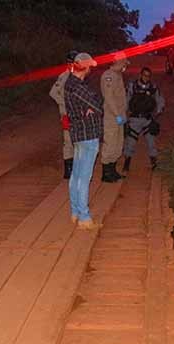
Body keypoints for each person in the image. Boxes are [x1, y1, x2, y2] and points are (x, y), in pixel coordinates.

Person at [64, 52, 103, 229]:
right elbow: (97, 104)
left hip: (78, 133)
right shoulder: (78, 86)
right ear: (84, 66)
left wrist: (90, 107)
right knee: (83, 177)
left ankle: (75, 212)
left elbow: (92, 105)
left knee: (76, 175)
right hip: (87, 134)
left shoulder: (69, 83)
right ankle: (84, 217)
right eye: (89, 66)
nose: (90, 70)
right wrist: (91, 107)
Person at [123, 67, 165, 172]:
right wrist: (124, 114)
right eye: (144, 75)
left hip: (147, 119)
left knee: (151, 142)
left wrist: (157, 113)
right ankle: (127, 163)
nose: (146, 77)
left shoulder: (153, 87)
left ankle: (154, 162)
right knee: (130, 142)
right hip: (135, 119)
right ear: (140, 75)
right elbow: (126, 99)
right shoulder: (132, 86)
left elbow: (160, 100)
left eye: (148, 76)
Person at [49, 50, 79, 179]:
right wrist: (65, 103)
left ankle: (76, 168)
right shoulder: (64, 76)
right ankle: (68, 170)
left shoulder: (78, 76)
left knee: (78, 141)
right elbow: (53, 93)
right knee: (68, 142)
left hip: (78, 114)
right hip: (67, 114)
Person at [100, 54, 129, 182]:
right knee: (110, 143)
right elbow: (109, 98)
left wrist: (123, 114)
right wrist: (117, 115)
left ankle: (113, 170)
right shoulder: (108, 76)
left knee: (118, 144)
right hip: (112, 116)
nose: (125, 65)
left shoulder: (117, 75)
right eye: (123, 62)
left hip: (119, 115)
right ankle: (106, 174)